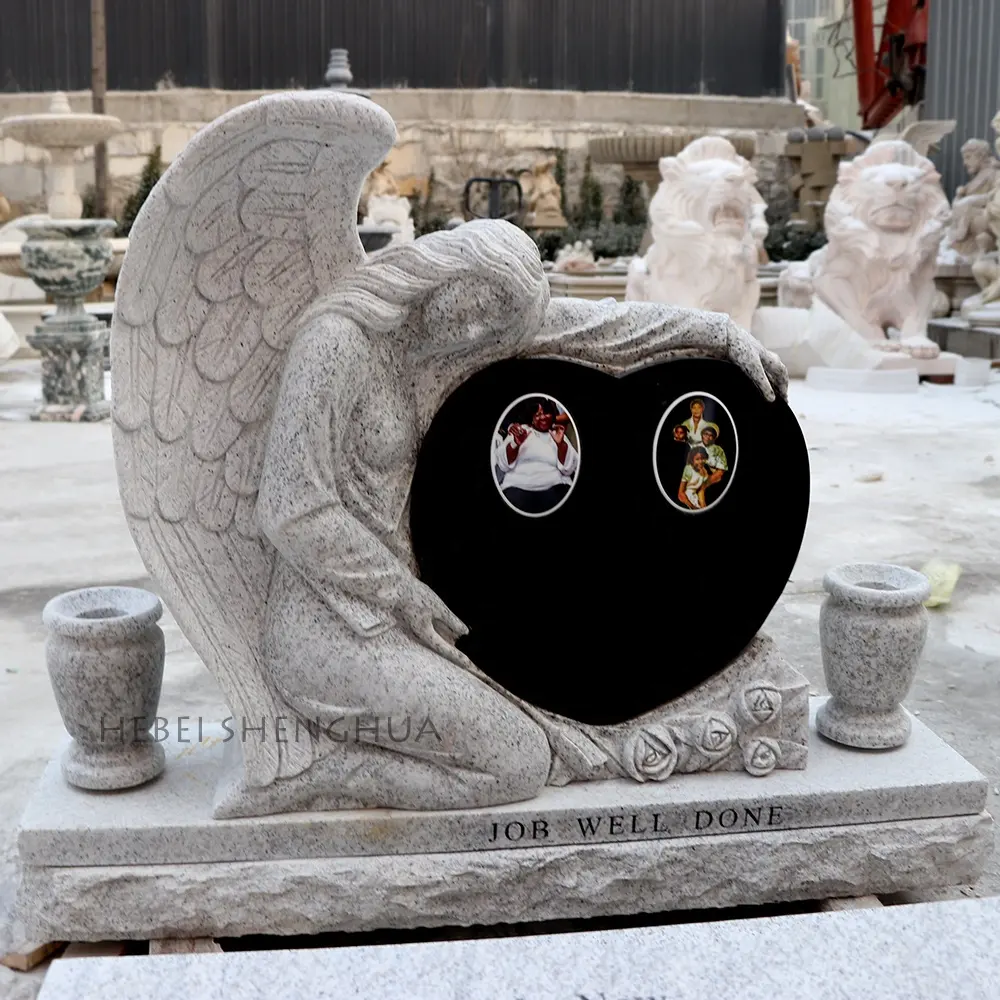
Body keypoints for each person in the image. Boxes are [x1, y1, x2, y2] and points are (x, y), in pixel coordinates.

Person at [495, 397, 579, 514]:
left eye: (546, 413)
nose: (543, 417)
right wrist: (516, 443)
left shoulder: (558, 433)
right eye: (538, 414)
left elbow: (568, 469)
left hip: (554, 486)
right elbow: (504, 464)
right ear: (532, 418)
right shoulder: (521, 430)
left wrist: (561, 445)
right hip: (518, 486)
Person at [678, 445, 712, 510]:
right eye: (697, 459)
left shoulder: (704, 471)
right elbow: (680, 494)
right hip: (685, 500)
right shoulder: (689, 469)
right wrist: (693, 507)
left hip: (695, 498)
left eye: (703, 458)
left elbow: (701, 490)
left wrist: (703, 506)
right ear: (692, 460)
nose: (700, 461)